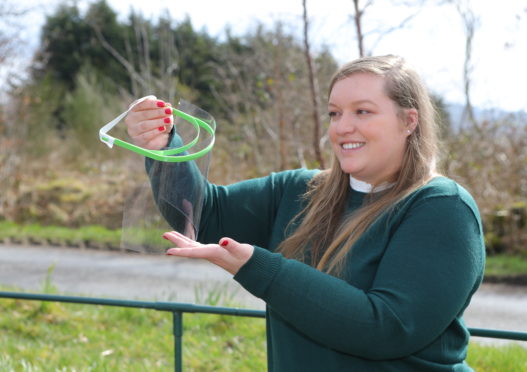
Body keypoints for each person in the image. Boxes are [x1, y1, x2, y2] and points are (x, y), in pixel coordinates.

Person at [124, 55, 485, 371]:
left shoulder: (442, 208)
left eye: (363, 111)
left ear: (409, 121)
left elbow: (387, 328)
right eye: (334, 113)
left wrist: (260, 268)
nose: (342, 127)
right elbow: (205, 214)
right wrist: (164, 146)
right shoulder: (299, 190)